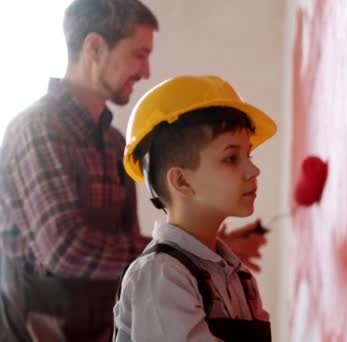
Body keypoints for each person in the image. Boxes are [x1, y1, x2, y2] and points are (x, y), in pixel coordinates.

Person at [0, 1, 265, 341]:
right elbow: (64, 249)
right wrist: (192, 251)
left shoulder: (113, 143)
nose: (145, 71)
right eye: (138, 53)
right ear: (94, 47)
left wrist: (206, 249)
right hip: (35, 330)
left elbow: (134, 246)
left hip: (94, 328)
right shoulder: (36, 129)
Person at [113, 75, 274, 341]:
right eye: (232, 158)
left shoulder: (238, 277)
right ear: (182, 181)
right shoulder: (161, 276)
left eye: (249, 155)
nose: (253, 170)